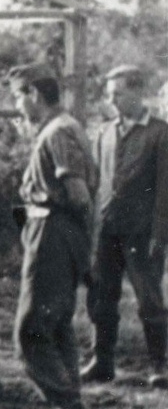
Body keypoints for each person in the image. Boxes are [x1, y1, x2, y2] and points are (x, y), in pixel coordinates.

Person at [6, 63, 99, 409]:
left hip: (54, 235)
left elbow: (78, 195)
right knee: (57, 329)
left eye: (18, 96)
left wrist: (79, 246)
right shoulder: (61, 127)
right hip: (55, 233)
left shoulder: (58, 131)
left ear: (34, 93)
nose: (17, 106)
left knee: (30, 332)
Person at [83, 64, 168, 388]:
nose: (112, 101)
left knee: (149, 300)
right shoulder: (104, 133)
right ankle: (101, 361)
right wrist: (91, 229)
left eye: (117, 94)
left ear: (137, 91)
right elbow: (96, 185)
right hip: (106, 230)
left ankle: (159, 365)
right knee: (101, 296)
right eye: (109, 95)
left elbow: (165, 191)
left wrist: (160, 234)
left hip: (142, 233)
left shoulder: (160, 133)